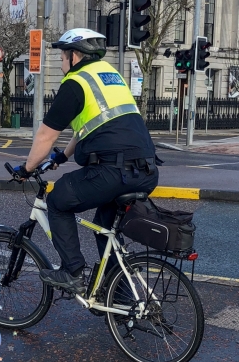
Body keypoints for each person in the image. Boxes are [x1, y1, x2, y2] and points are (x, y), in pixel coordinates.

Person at [15, 28, 159, 295]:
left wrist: (27, 168)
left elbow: (46, 134)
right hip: (146, 169)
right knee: (104, 229)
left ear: (75, 55)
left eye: (62, 57)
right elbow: (89, 128)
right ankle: (124, 296)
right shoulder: (111, 77)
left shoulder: (75, 82)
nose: (61, 63)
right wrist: (62, 157)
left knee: (58, 201)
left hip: (114, 171)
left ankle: (72, 272)